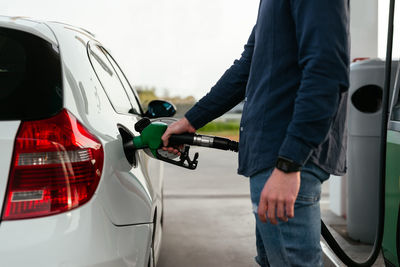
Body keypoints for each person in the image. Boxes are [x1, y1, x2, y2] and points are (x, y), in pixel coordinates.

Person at [162, 0, 350, 266]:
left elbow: (326, 71)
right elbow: (247, 66)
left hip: (285, 158)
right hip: (271, 160)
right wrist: (192, 120)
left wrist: (289, 163)